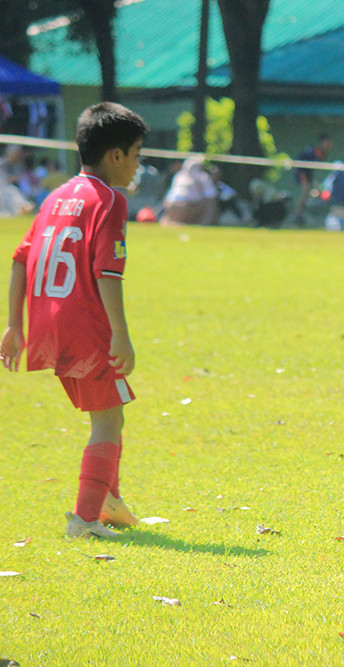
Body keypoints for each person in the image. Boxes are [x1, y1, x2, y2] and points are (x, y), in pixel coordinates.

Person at [1, 102, 149, 539]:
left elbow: (20, 260)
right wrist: (120, 336)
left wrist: (14, 324)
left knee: (108, 409)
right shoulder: (109, 200)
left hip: (48, 322)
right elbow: (108, 272)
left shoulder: (57, 196)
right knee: (107, 420)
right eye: (137, 155)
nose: (138, 165)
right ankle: (84, 520)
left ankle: (108, 499)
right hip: (86, 326)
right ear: (116, 156)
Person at [292, 134, 334, 226]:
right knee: (305, 191)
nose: (329, 145)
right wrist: (305, 181)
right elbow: (302, 165)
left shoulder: (323, 154)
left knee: (314, 192)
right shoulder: (312, 151)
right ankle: (297, 214)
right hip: (302, 173)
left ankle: (303, 214)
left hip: (309, 175)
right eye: (327, 142)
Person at [161, 157, 217, 226]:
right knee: (209, 203)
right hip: (185, 206)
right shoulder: (202, 177)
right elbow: (211, 196)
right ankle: (202, 223)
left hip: (172, 206)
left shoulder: (179, 176)